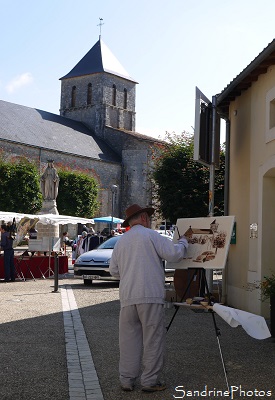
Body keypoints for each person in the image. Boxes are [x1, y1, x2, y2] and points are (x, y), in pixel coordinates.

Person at [109, 204, 188, 393]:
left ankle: (127, 380)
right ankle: (150, 380)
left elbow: (113, 271)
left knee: (128, 339)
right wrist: (184, 243)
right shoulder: (152, 236)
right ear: (144, 217)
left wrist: (130, 274)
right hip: (150, 294)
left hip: (127, 295)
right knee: (153, 339)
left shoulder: (121, 241)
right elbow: (173, 254)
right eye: (149, 217)